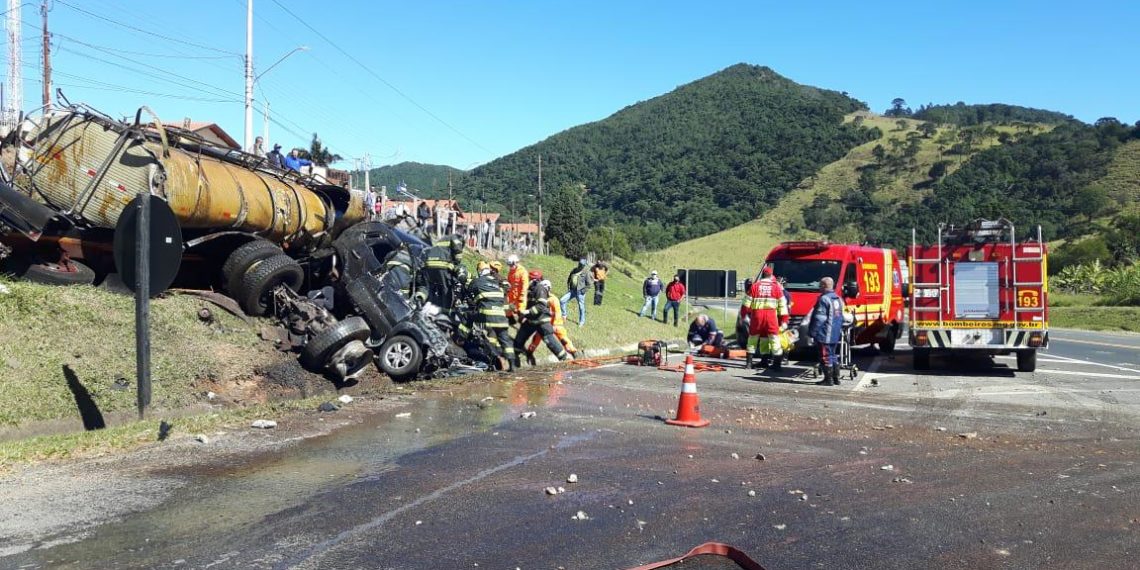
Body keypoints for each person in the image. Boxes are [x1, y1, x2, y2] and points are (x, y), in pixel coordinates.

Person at [469, 263, 518, 370]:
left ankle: (491, 362)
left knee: (489, 340)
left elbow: (469, 290)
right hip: (501, 316)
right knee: (505, 341)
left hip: (488, 316)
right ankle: (512, 365)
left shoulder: (477, 281)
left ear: (479, 271)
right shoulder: (497, 283)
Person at [740, 265, 789, 370]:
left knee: (753, 338)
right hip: (771, 316)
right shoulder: (776, 287)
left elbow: (746, 304)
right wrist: (784, 320)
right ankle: (776, 365)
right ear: (771, 276)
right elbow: (782, 305)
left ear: (762, 275)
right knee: (773, 338)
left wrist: (743, 316)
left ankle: (750, 363)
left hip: (757, 316)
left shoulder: (755, 286)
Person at [514, 280, 570, 364]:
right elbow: (530, 305)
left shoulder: (549, 297)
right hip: (533, 321)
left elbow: (552, 311)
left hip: (544, 322)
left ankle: (566, 358)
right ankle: (519, 356)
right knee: (524, 337)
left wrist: (555, 324)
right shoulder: (534, 292)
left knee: (550, 340)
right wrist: (523, 315)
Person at [528, 279, 578, 360]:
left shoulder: (553, 299)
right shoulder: (540, 298)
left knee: (563, 339)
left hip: (556, 324)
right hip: (545, 324)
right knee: (537, 337)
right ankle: (529, 353)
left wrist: (555, 324)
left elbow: (557, 313)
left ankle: (574, 353)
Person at [809, 276, 845, 386]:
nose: (819, 287)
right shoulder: (838, 299)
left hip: (825, 333)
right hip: (835, 333)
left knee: (825, 356)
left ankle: (828, 380)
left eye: (820, 285)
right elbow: (841, 317)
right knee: (833, 355)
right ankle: (836, 378)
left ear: (824, 286)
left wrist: (812, 331)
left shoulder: (824, 299)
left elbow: (820, 318)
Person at [560, 258, 592, 326]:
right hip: (572, 290)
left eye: (582, 265)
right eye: (580, 264)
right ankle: (564, 315)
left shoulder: (586, 273)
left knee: (581, 307)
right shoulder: (574, 270)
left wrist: (583, 291)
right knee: (562, 300)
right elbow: (569, 277)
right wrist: (569, 285)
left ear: (584, 265)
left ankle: (581, 321)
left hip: (580, 292)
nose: (580, 265)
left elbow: (589, 284)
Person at [505, 254, 529, 324]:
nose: (510, 267)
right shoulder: (511, 272)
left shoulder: (522, 271)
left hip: (520, 295)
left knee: (521, 311)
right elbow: (509, 282)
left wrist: (522, 294)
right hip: (512, 295)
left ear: (516, 262)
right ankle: (511, 321)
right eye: (509, 265)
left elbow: (525, 284)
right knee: (508, 309)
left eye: (511, 265)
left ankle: (524, 326)